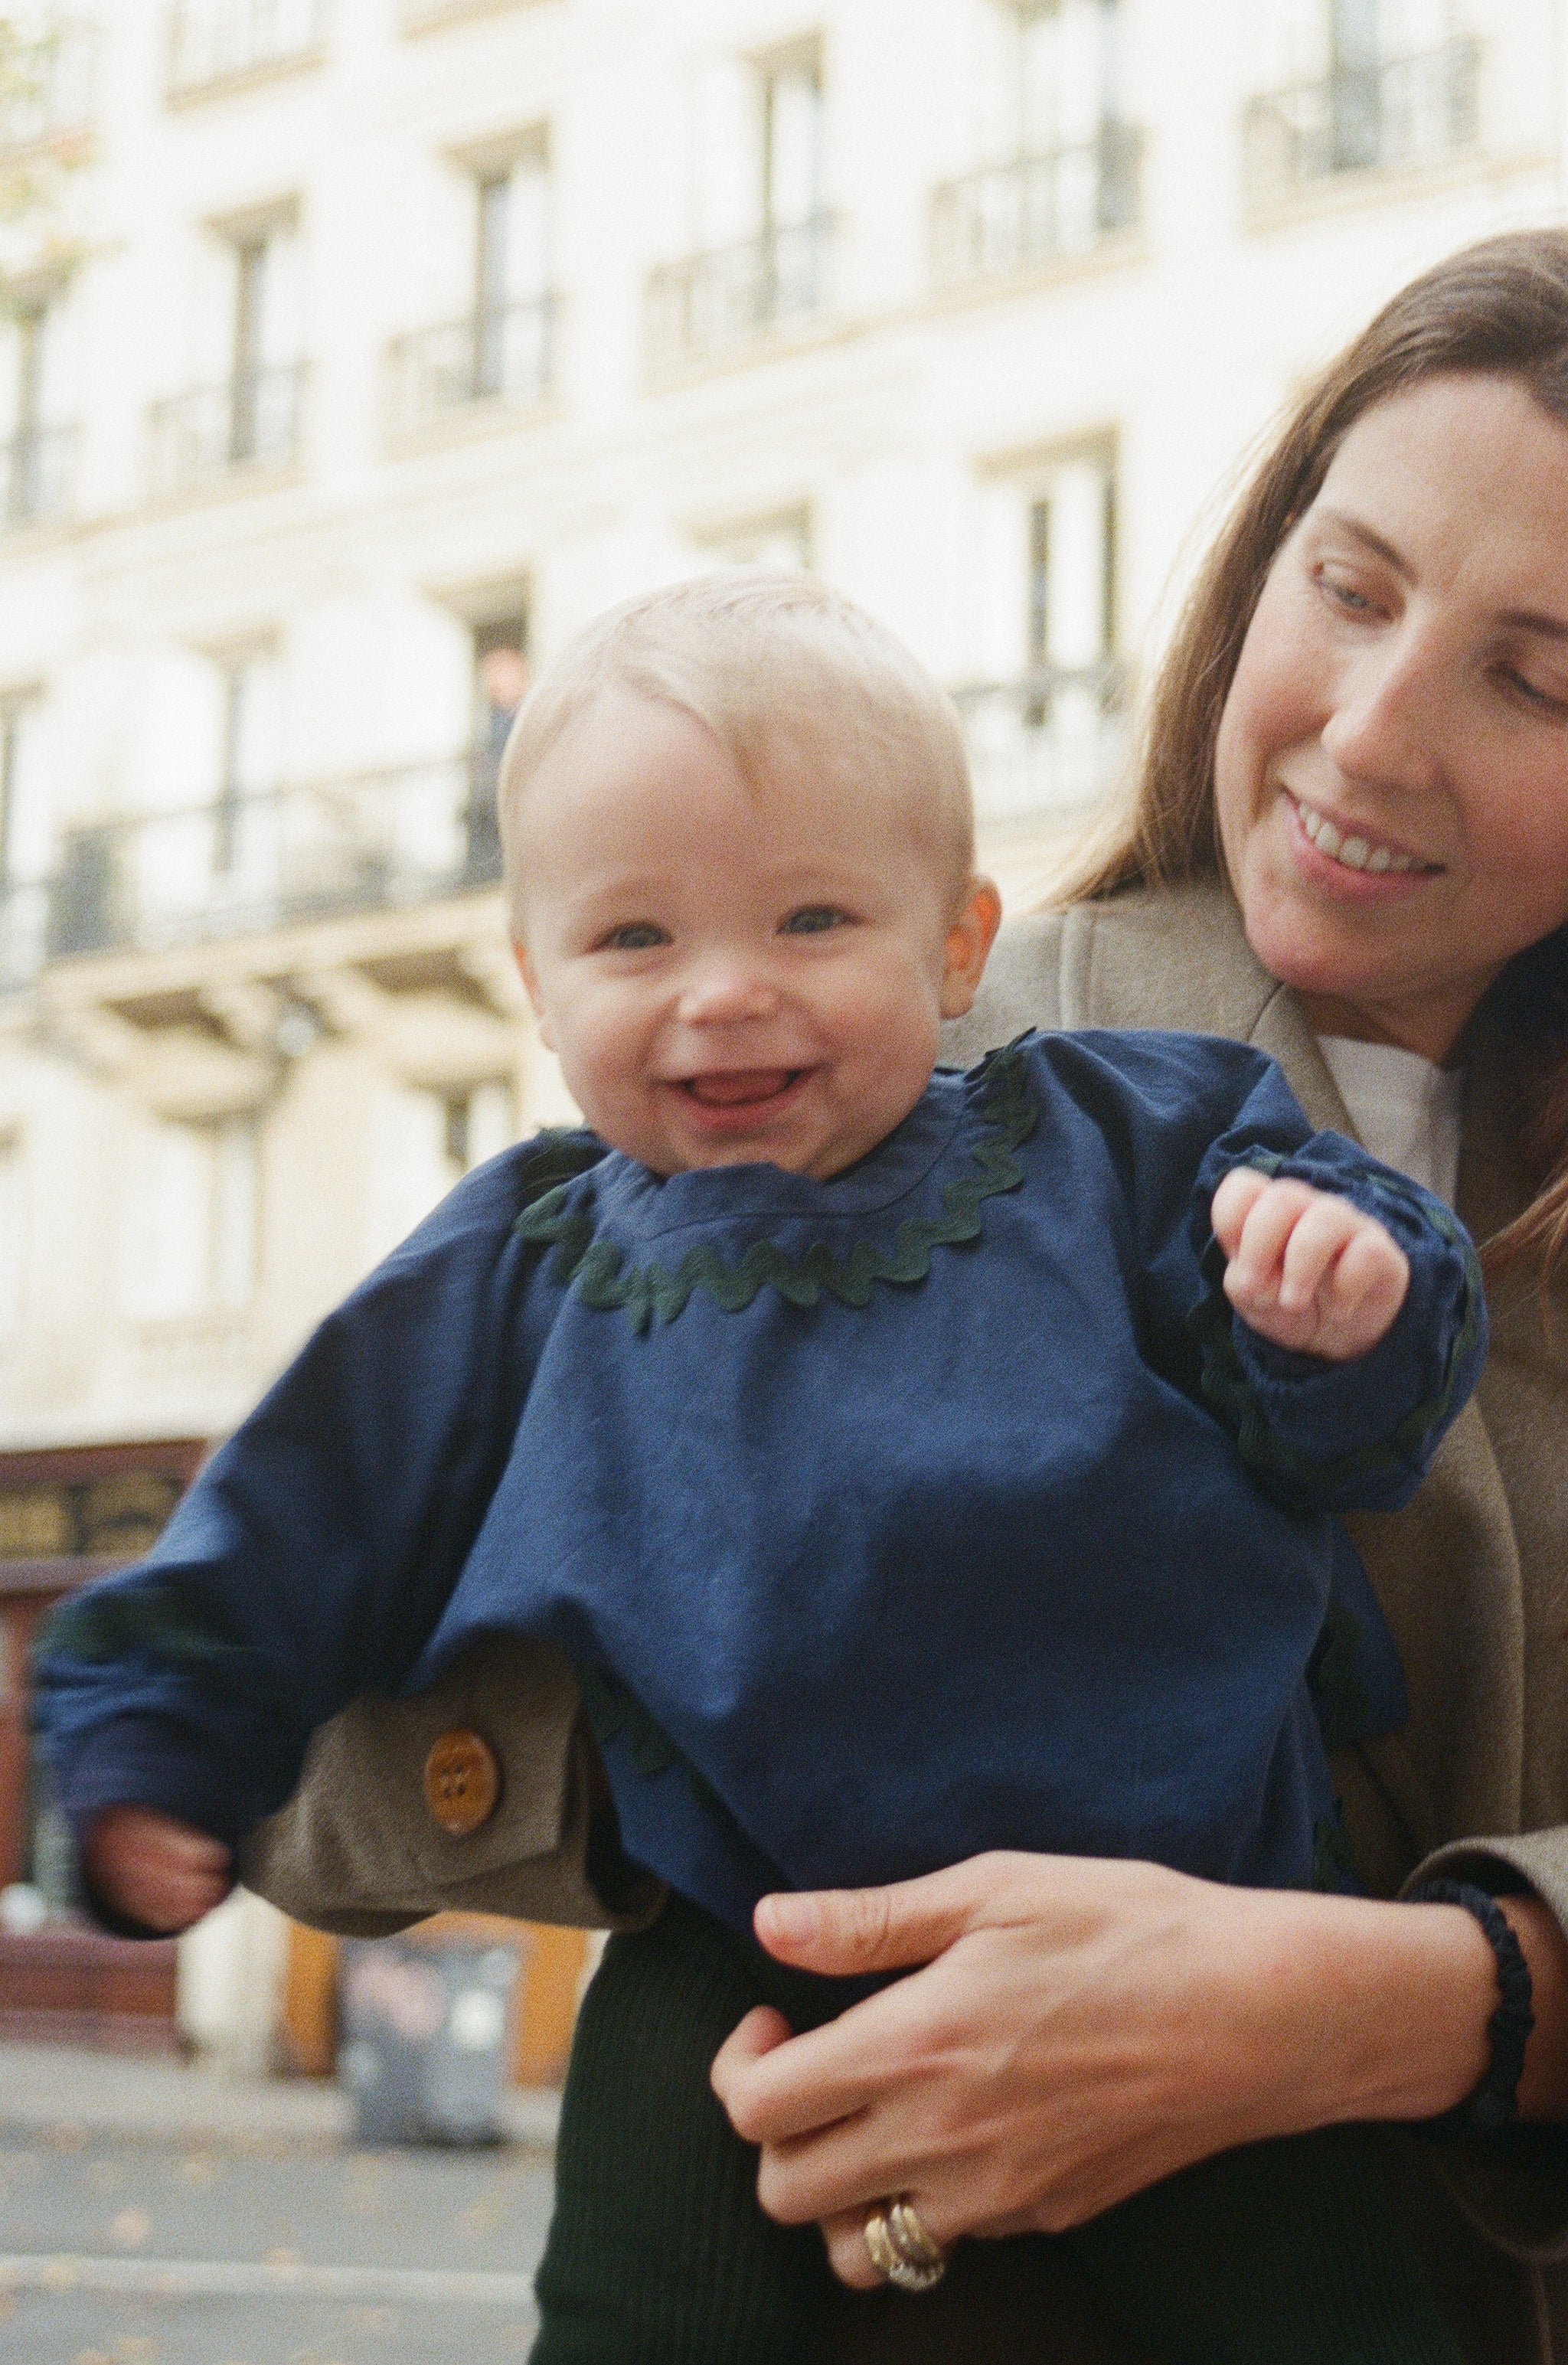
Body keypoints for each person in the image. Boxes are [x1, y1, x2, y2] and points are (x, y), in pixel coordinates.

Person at [224, 230, 1568, 2361]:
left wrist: (1425, 1996)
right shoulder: (862, 1062)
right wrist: (749, 1690)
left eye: (1537, 672)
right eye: (1351, 585)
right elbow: (295, 1742)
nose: (1376, 731)